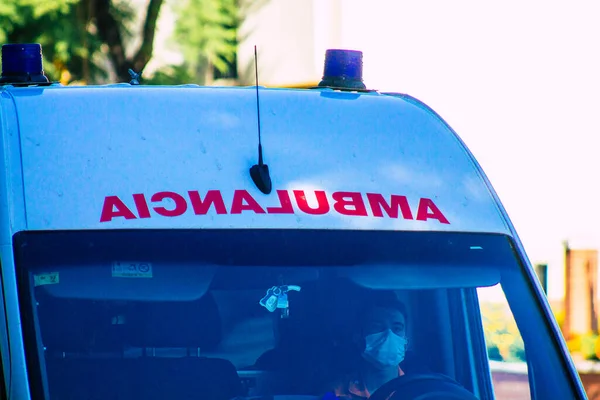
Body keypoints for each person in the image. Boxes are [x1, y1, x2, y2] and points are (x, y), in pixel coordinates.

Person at [322, 290, 419, 399]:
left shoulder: (418, 390)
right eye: (377, 327)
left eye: (397, 328)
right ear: (358, 336)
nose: (388, 335)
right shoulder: (336, 392)